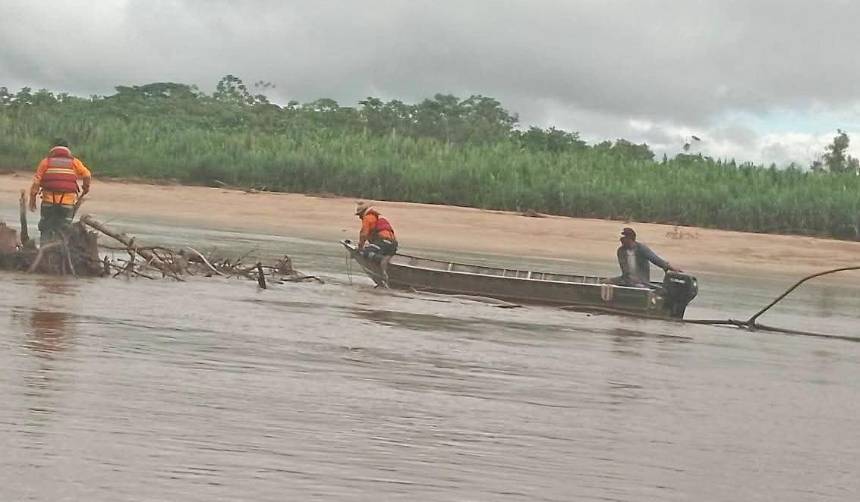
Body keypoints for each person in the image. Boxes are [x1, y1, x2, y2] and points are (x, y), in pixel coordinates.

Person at [29, 140, 92, 243]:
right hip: (67, 203)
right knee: (64, 230)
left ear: (53, 148)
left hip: (48, 202)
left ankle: (44, 250)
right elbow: (87, 175)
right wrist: (86, 188)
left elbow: (36, 182)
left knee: (45, 228)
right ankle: (61, 253)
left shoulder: (46, 162)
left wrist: (32, 200)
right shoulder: (74, 162)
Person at [607, 227, 681, 287]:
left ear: (630, 239)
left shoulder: (641, 248)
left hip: (641, 281)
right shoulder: (621, 251)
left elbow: (655, 259)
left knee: (638, 286)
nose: (621, 239)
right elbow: (626, 271)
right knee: (605, 282)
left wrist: (669, 267)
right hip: (626, 280)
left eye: (624, 237)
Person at [355, 201, 398, 286]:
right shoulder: (377, 217)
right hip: (392, 245)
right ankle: (384, 271)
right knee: (374, 249)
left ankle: (382, 260)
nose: (360, 217)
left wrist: (360, 248)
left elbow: (363, 234)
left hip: (384, 241)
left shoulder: (368, 218)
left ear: (363, 212)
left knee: (366, 252)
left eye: (359, 215)